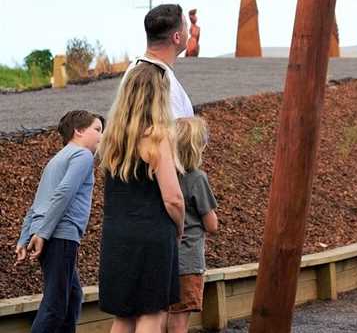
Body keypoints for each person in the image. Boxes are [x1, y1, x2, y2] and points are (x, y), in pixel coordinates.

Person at [99, 62, 185, 332]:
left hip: (116, 235)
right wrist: (179, 226)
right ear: (158, 96)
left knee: (123, 315)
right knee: (151, 312)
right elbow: (173, 198)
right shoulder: (157, 138)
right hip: (152, 235)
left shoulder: (111, 139)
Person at [15, 110, 104, 333]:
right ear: (79, 131)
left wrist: (25, 237)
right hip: (60, 234)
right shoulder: (82, 155)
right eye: (97, 130)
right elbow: (64, 192)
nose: (102, 136)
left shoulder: (57, 159)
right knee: (55, 306)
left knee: (73, 296)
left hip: (48, 232)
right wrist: (43, 234)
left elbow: (37, 203)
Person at [167, 117, 218, 333]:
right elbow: (211, 223)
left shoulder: (163, 177)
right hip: (188, 260)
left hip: (164, 258)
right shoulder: (197, 178)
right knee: (180, 321)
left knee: (161, 316)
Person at [125, 3, 193, 118]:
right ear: (177, 37)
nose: (189, 31)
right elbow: (173, 133)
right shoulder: (162, 81)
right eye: (186, 26)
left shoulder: (134, 69)